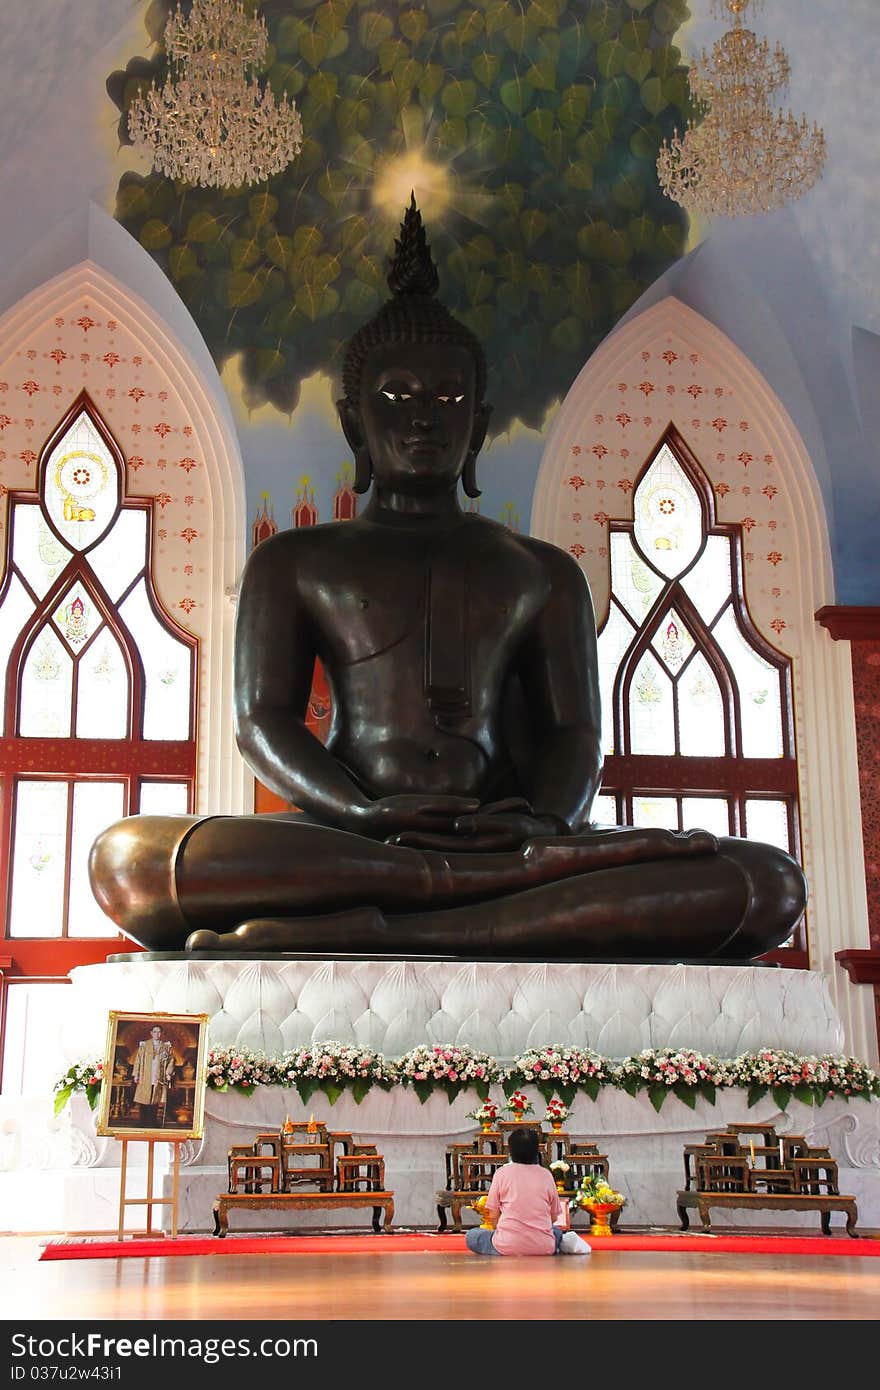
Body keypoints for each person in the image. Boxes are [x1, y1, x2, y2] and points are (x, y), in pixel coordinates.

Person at [88, 196, 807, 960]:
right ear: (354, 424)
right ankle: (465, 910)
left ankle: (383, 924)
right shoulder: (295, 562)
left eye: (449, 398)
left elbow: (573, 734)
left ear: (481, 426)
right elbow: (262, 722)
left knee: (766, 883)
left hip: (508, 844)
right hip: (356, 840)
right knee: (128, 861)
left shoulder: (542, 573)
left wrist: (547, 826)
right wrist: (365, 815)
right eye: (396, 396)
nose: (424, 418)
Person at [466, 1126, 591, 1257]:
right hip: (544, 1246)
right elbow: (554, 1217)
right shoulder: (546, 1175)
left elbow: (492, 1214)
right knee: (556, 1231)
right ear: (536, 1151)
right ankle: (557, 1244)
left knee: (472, 1235)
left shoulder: (501, 1173)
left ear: (511, 1151)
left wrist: (506, 1232)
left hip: (506, 1245)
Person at [131, 1024, 175, 1128]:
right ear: (151, 1033)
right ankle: (142, 1121)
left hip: (158, 1077)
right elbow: (138, 1060)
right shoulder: (144, 1045)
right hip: (145, 1075)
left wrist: (168, 1073)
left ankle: (152, 1122)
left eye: (159, 1032)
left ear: (161, 1034)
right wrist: (136, 1074)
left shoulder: (166, 1046)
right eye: (155, 1032)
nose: (157, 1034)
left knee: (155, 1099)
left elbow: (171, 1060)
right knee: (144, 1098)